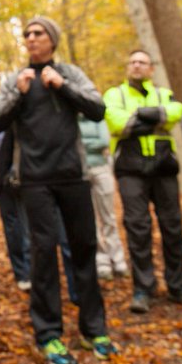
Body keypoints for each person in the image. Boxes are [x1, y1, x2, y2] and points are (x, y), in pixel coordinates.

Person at [0, 15, 115, 364]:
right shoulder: (15, 80)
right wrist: (19, 93)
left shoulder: (70, 74)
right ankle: (49, 335)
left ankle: (94, 330)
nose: (30, 38)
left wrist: (62, 86)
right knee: (44, 253)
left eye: (38, 33)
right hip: (34, 180)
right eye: (27, 34)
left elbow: (98, 109)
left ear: (52, 40)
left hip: (73, 175)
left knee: (84, 250)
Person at [103, 50, 182, 313]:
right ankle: (143, 288)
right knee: (138, 228)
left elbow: (176, 110)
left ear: (151, 69)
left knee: (172, 225)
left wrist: (139, 118)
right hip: (130, 168)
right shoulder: (115, 94)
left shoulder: (163, 92)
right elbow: (116, 122)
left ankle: (178, 285)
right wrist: (155, 118)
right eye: (132, 61)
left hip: (164, 166)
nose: (136, 66)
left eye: (142, 62)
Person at [0, 124, 77, 296]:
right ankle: (23, 274)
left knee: (30, 230)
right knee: (12, 228)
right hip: (4, 180)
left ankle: (34, 274)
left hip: (28, 178)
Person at [77, 117, 128, 280]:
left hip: (102, 168)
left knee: (108, 216)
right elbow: (72, 142)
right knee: (90, 219)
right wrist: (93, 145)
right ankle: (101, 261)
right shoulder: (70, 117)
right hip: (82, 172)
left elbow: (104, 141)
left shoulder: (96, 116)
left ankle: (118, 259)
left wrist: (84, 145)